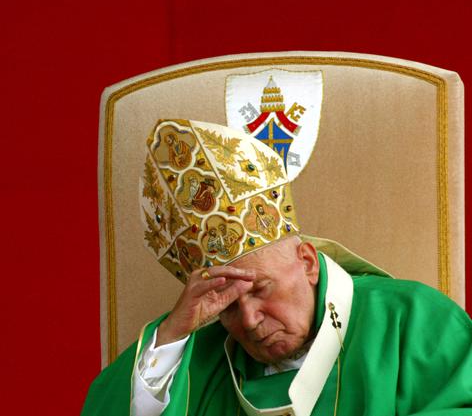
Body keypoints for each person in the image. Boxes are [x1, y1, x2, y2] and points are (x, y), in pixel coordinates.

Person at [82, 119, 472, 416]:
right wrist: (171, 335)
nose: (249, 320)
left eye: (260, 289)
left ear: (306, 263)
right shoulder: (195, 361)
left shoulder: (414, 320)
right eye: (229, 306)